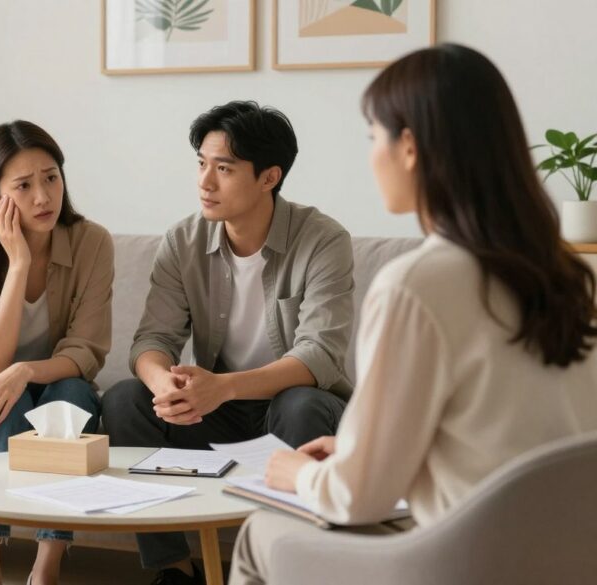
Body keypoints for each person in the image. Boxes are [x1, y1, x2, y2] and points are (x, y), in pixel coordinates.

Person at [229, 43, 597, 585]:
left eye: (372, 137)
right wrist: (356, 447)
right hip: (568, 554)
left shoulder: (417, 285)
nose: (371, 155)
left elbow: (358, 496)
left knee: (262, 532)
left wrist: (302, 473)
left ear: (410, 147)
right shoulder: (574, 277)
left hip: (462, 560)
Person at [101, 100, 354, 584]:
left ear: (269, 177)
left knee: (302, 406)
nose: (205, 182)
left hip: (287, 406)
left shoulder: (323, 240)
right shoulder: (183, 240)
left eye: (224, 168)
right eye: (201, 164)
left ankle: (284, 568)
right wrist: (164, 386)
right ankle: (172, 570)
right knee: (124, 400)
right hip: (211, 410)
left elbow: (319, 354)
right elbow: (153, 339)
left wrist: (223, 386)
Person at [0, 120, 114, 585]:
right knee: (1, 398)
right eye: (24, 185)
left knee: (70, 396)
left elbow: (85, 353)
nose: (43, 197)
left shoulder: (93, 242)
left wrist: (26, 372)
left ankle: (46, 564)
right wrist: (18, 264)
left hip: (52, 383)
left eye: (51, 177)